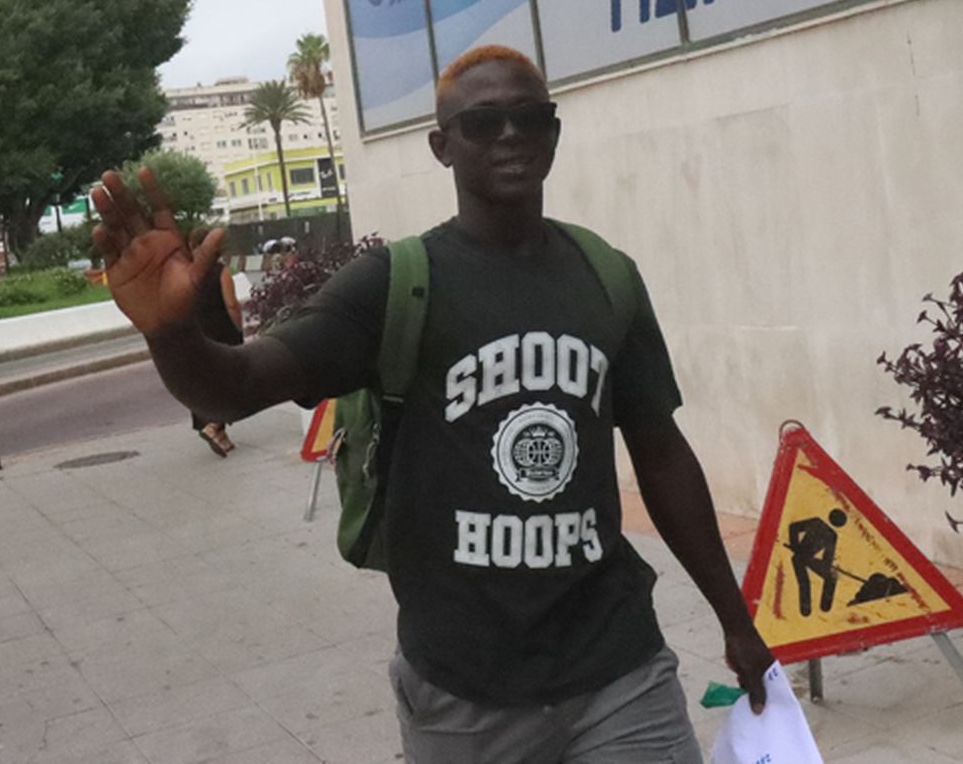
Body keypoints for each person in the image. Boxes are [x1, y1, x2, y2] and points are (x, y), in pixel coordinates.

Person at [91, 45, 773, 763]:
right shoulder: (392, 285)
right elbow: (235, 387)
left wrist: (737, 621)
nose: (509, 136)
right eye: (482, 124)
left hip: (619, 670)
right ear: (442, 146)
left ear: (554, 132)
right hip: (462, 693)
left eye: (529, 118)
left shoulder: (605, 277)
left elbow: (661, 454)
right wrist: (170, 332)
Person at [187, 225, 243, 456]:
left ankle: (221, 435)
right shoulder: (220, 272)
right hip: (222, 333)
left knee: (205, 384)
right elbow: (231, 304)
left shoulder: (187, 273)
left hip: (197, 334)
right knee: (231, 382)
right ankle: (214, 426)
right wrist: (238, 328)